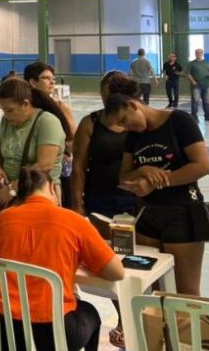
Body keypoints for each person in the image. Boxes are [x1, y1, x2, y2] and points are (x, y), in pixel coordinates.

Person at [0, 167, 124, 351]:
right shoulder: (74, 221)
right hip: (52, 330)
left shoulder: (3, 219)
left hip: (0, 323)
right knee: (90, 314)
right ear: (52, 188)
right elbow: (116, 273)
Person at [110, 93, 209, 295]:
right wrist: (143, 170)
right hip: (147, 215)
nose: (125, 128)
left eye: (124, 120)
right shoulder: (133, 136)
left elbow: (203, 165)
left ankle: (185, 318)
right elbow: (123, 177)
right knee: (154, 287)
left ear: (133, 105)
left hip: (182, 212)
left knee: (186, 290)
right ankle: (158, 318)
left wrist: (156, 184)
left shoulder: (179, 121)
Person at [70, 72, 140, 349]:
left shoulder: (137, 121)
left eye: (106, 91)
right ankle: (124, 319)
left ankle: (141, 319)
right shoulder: (91, 123)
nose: (103, 96)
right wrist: (78, 206)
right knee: (111, 262)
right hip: (100, 202)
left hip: (134, 203)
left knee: (138, 262)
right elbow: (78, 167)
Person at [0, 78, 68, 209]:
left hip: (39, 195)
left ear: (26, 104)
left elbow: (45, 165)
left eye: (10, 110)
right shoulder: (6, 121)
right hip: (13, 196)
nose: (6, 115)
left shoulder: (47, 122)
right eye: (3, 110)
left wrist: (12, 189)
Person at [24, 62, 77, 208]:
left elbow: (73, 141)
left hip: (58, 173)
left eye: (53, 78)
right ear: (32, 82)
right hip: (29, 173)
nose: (52, 82)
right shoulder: (24, 110)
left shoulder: (61, 107)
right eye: (46, 78)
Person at [186, 49, 209, 124]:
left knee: (207, 102)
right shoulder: (191, 63)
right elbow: (188, 73)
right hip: (196, 86)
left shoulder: (207, 62)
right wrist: (193, 81)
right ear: (195, 54)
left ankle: (207, 117)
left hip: (206, 85)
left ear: (202, 54)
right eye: (197, 52)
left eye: (200, 52)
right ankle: (194, 117)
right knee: (195, 102)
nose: (199, 54)